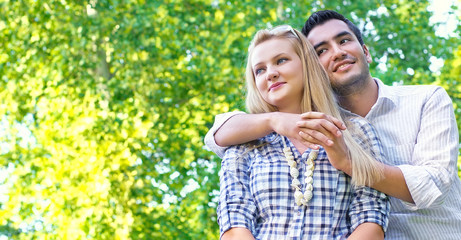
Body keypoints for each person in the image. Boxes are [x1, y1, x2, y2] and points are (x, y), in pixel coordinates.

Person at [206, 10, 461, 239]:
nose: (337, 52)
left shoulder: (422, 101)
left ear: (366, 51)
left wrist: (349, 162)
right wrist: (276, 120)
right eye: (322, 50)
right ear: (314, 65)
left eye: (344, 40)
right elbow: (215, 137)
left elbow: (434, 184)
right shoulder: (256, 134)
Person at [217, 24, 389, 240]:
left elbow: (371, 221)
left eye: (281, 60)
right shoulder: (245, 143)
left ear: (307, 64)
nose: (271, 73)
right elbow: (234, 227)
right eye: (260, 70)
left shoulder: (356, 132)